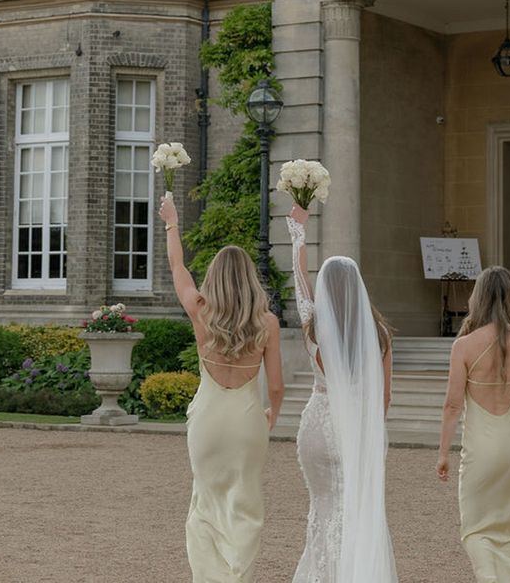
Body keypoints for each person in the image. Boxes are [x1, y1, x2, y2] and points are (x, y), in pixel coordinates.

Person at [159, 193, 285, 583]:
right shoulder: (267, 324)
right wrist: (271, 417)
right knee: (246, 507)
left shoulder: (201, 310)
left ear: (213, 276)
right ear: (250, 278)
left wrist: (172, 222)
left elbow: (177, 265)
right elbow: (277, 387)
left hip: (208, 421)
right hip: (248, 422)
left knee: (205, 504)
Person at [288, 202, 398, 583]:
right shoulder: (379, 336)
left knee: (323, 509)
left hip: (318, 425)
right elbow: (383, 399)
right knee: (354, 510)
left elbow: (299, 283)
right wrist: (369, 433)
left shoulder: (314, 328)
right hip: (355, 429)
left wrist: (298, 233)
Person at [436, 213, 510, 583]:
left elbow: (452, 405)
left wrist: (443, 453)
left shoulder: (464, 346)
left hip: (484, 447)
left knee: (477, 530)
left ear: (478, 296)